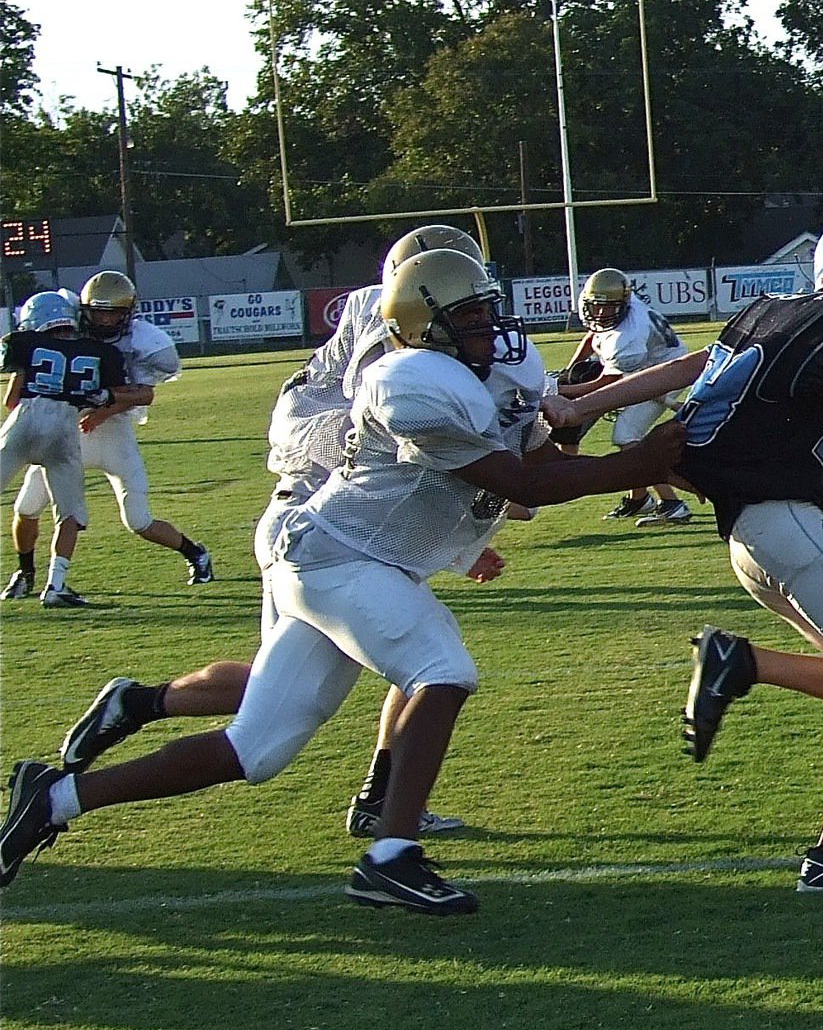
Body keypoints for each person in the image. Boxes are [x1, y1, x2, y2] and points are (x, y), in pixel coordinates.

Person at [0, 248, 684, 915]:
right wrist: (641, 461)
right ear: (426, 324)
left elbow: (536, 462)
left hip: (351, 557)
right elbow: (518, 481)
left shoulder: (491, 372)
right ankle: (391, 854)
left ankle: (54, 797)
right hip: (338, 554)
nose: (489, 329)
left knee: (256, 748)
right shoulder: (407, 382)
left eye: (486, 313)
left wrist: (581, 436)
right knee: (442, 669)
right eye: (470, 318)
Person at [542, 212, 823, 893]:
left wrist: (581, 406)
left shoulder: (772, 309)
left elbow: (690, 365)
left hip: (749, 540)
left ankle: (739, 662)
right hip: (787, 522)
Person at [55, 225, 509, 837]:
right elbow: (389, 454)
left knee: (298, 689)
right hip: (325, 526)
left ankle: (140, 703)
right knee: (407, 668)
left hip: (333, 522)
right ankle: (384, 812)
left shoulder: (390, 330)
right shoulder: (396, 354)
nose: (479, 316)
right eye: (466, 300)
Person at [2, 271, 212, 600]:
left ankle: (195, 553)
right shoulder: (68, 320)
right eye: (98, 311)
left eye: (113, 312)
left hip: (113, 434)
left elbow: (144, 394)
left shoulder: (143, 342)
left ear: (128, 312)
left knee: (138, 520)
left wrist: (104, 410)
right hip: (67, 430)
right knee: (27, 507)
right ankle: (26, 574)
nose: (104, 319)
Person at [1, 292, 132, 607]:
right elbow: (113, 393)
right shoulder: (101, 353)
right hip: (64, 428)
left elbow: (11, 401)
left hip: (26, 420)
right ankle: (55, 585)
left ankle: (30, 577)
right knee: (69, 514)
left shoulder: (23, 342)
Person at [555, 268, 692, 527]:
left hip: (668, 372)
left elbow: (609, 383)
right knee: (627, 434)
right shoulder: (618, 308)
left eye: (606, 308)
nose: (599, 313)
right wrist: (569, 370)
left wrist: (560, 391)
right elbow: (593, 335)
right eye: (595, 307)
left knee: (626, 434)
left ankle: (673, 504)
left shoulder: (628, 336)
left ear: (622, 305)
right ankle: (639, 498)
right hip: (649, 367)